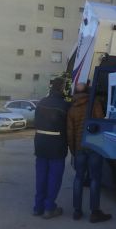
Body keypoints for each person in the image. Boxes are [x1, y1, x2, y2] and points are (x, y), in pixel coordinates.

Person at [67, 83, 112, 223]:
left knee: (79, 178)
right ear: (89, 90)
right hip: (94, 146)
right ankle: (94, 212)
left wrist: (73, 149)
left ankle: (77, 211)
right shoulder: (95, 104)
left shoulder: (72, 108)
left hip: (80, 147)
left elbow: (70, 132)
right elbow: (101, 124)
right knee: (95, 178)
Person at [33, 77, 70, 219]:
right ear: (62, 88)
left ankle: (38, 207)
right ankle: (49, 208)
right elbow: (69, 128)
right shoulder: (65, 105)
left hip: (40, 145)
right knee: (54, 178)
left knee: (41, 176)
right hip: (57, 147)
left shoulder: (42, 102)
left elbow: (36, 122)